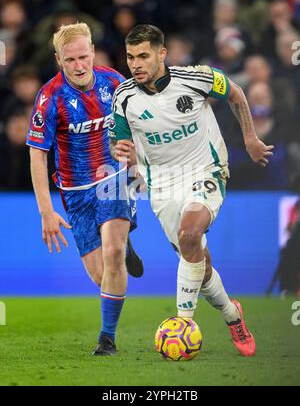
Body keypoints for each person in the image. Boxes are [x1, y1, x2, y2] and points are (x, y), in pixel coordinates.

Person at [110, 25, 274, 357]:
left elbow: (235, 92)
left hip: (206, 170)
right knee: (199, 261)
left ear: (161, 53)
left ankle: (183, 322)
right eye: (130, 57)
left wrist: (249, 138)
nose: (136, 64)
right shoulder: (123, 98)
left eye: (143, 55)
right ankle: (232, 315)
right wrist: (123, 155)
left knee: (189, 234)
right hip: (162, 184)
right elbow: (120, 142)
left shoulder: (196, 78)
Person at [26, 22, 143, 357]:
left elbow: (138, 127)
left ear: (93, 51)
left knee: (112, 253)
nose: (79, 66)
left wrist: (137, 167)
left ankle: (107, 339)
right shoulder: (50, 98)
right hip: (76, 193)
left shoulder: (116, 84)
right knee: (101, 276)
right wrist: (47, 212)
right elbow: (37, 156)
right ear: (58, 60)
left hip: (112, 178)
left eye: (83, 57)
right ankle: (123, 242)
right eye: (70, 60)